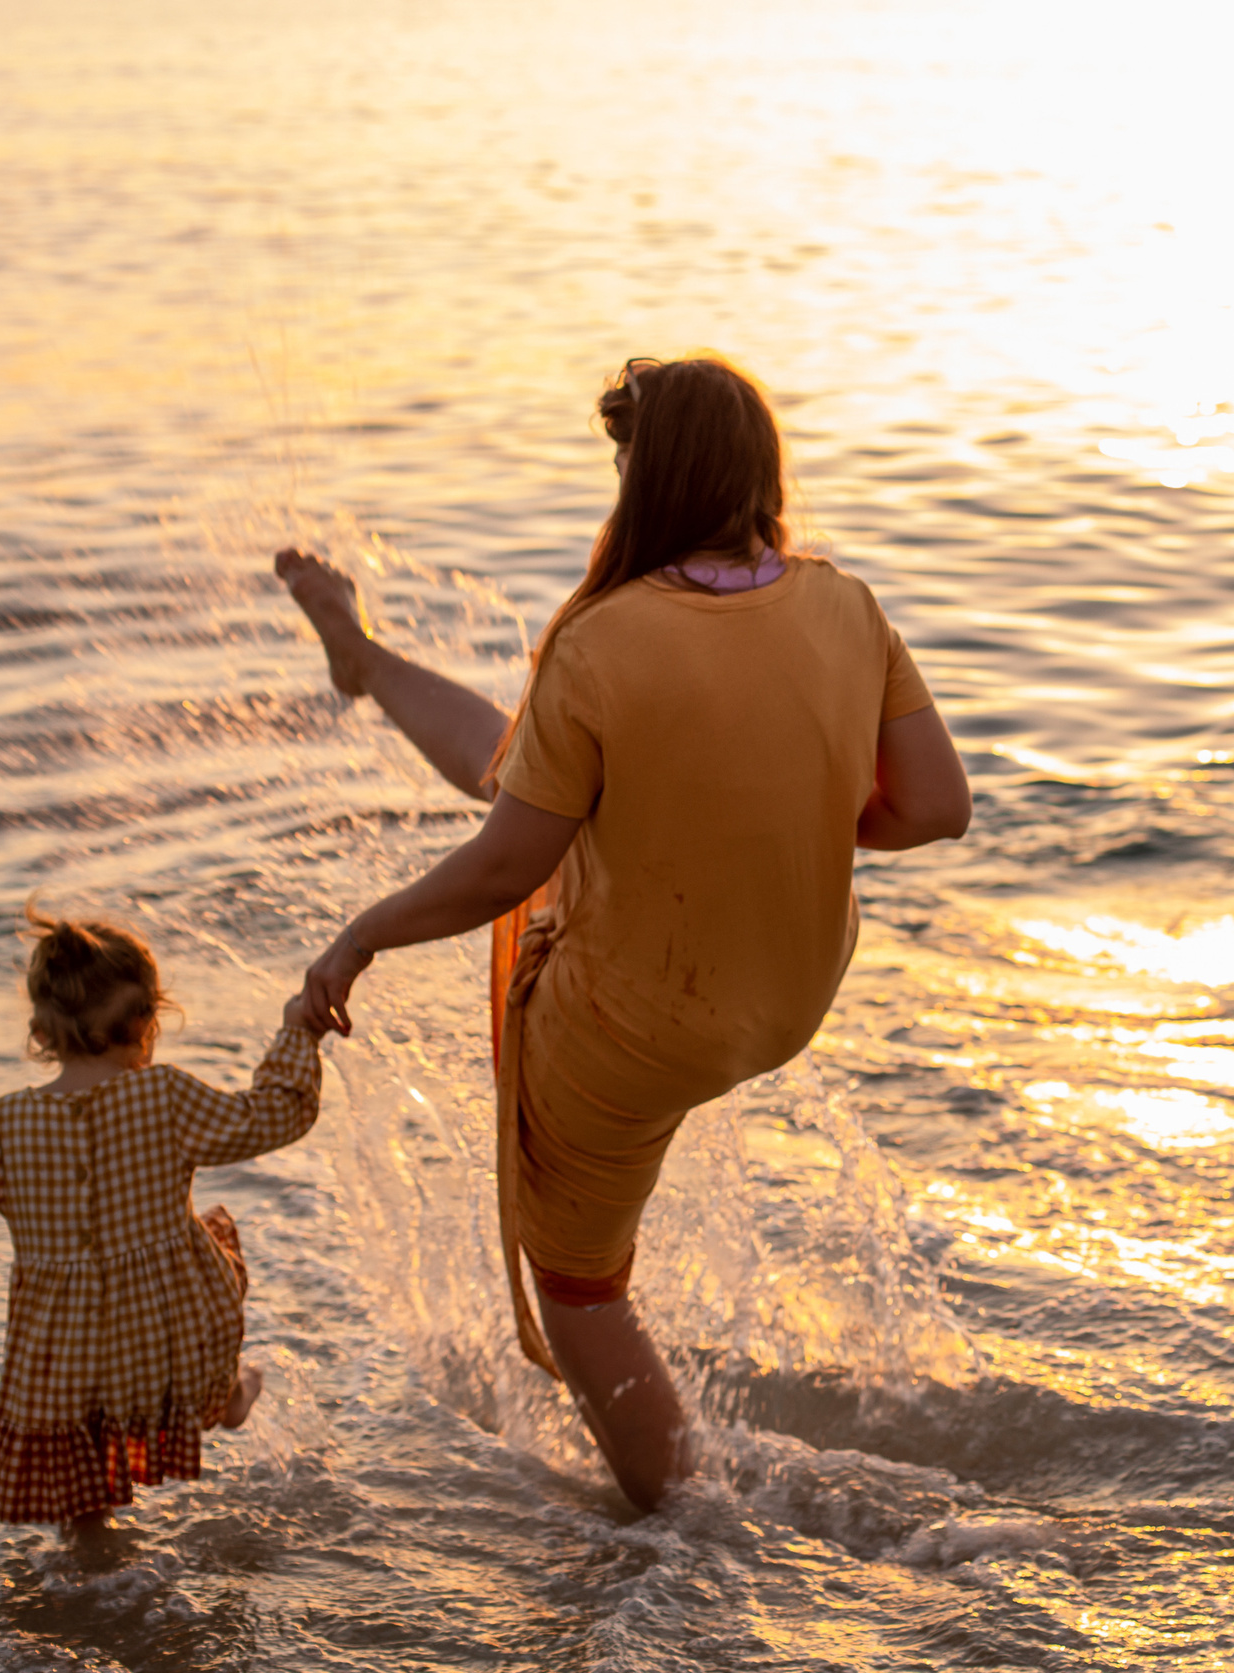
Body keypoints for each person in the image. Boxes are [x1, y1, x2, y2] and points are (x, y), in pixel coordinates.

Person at [277, 352, 970, 1512]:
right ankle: (366, 660)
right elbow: (938, 808)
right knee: (524, 769)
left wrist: (357, 940)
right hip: (786, 997)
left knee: (579, 1293)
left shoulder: (597, 642)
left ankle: (683, 1518)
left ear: (646, 481)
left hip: (635, 1026)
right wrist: (761, 814)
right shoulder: (846, 603)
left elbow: (507, 871)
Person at [0, 905, 328, 1528]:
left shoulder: (2, 1126)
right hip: (170, 1346)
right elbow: (270, 1117)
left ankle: (96, 1568)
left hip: (64, 1363)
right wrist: (297, 1032)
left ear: (43, 1030)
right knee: (203, 1349)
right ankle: (227, 1399)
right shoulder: (164, 1097)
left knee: (80, 1491)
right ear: (146, 1019)